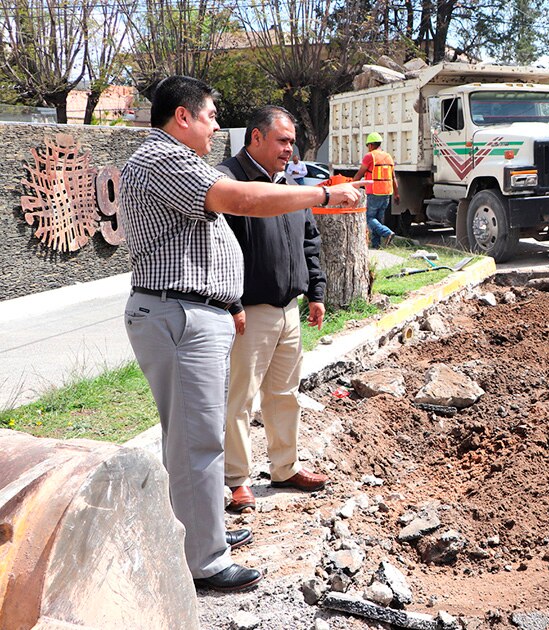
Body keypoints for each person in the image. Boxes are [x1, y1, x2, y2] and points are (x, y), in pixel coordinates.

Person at [121, 76, 359, 593]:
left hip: (189, 312)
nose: (214, 127)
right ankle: (204, 562)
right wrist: (321, 192)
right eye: (209, 116)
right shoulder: (165, 158)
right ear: (181, 116)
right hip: (179, 314)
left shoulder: (172, 159)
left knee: (192, 439)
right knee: (198, 442)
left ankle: (199, 534)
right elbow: (244, 201)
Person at [216, 105, 330, 516]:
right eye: (282, 140)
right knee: (241, 399)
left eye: (291, 141)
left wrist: (315, 291)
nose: (289, 149)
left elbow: (308, 240)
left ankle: (285, 468)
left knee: (284, 394)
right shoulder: (229, 182)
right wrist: (230, 302)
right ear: (256, 138)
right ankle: (237, 480)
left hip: (289, 308)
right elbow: (218, 251)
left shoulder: (288, 183)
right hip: (249, 311)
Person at [353, 131, 399, 248]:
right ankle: (376, 245)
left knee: (369, 218)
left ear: (371, 145)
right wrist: (396, 194)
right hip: (387, 193)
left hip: (374, 192)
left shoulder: (370, 156)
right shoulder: (388, 156)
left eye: (368, 146)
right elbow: (393, 177)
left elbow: (360, 174)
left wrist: (352, 185)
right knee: (377, 219)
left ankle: (387, 233)